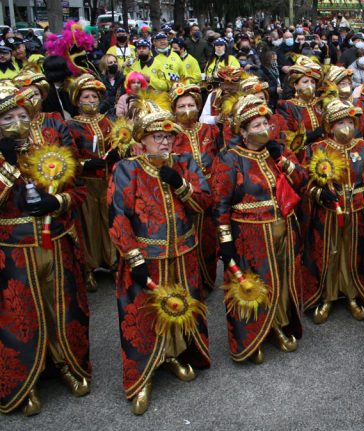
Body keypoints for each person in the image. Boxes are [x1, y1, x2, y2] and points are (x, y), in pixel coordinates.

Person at [108, 94, 212, 415]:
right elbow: (117, 217)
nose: (165, 142)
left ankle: (174, 356)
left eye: (168, 136)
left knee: (179, 308)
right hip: (146, 258)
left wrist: (181, 185)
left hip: (183, 254)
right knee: (143, 316)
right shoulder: (127, 169)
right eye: (158, 137)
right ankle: (142, 377)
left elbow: (205, 202)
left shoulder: (184, 164)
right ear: (143, 140)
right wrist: (133, 258)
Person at [0, 81, 90, 417]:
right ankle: (26, 379)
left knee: (62, 307)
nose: (17, 123)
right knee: (20, 315)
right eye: (8, 117)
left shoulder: (47, 152)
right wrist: (8, 167)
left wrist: (57, 200)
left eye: (22, 115)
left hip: (56, 243)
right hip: (13, 252)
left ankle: (65, 361)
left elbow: (77, 191)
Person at [212, 95, 307, 362]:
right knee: (256, 285)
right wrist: (225, 243)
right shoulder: (230, 159)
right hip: (250, 237)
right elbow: (219, 205)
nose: (264, 129)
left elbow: (302, 181)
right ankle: (253, 336)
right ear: (242, 131)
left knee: (282, 281)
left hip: (283, 229)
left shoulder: (278, 151)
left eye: (266, 123)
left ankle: (277, 326)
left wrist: (284, 160)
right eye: (256, 125)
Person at [302, 99, 364, 324]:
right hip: (328, 215)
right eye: (340, 122)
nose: (346, 126)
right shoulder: (317, 149)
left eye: (350, 121)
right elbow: (304, 184)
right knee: (330, 253)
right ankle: (327, 298)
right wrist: (319, 194)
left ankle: (353, 296)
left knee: (354, 254)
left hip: (359, 213)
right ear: (329, 126)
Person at [67, 74, 119, 292]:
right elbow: (67, 158)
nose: (90, 100)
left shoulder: (107, 121)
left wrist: (118, 151)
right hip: (87, 184)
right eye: (86, 97)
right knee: (88, 224)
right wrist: (87, 163)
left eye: (94, 97)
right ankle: (89, 267)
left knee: (110, 221)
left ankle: (113, 261)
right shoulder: (71, 125)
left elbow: (118, 142)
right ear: (78, 101)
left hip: (108, 181)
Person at [171, 83, 221, 295]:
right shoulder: (170, 133)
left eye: (191, 105)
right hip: (183, 194)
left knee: (208, 239)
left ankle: (207, 279)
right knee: (186, 240)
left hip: (209, 191)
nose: (187, 110)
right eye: (181, 106)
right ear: (174, 110)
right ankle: (190, 282)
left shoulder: (209, 130)